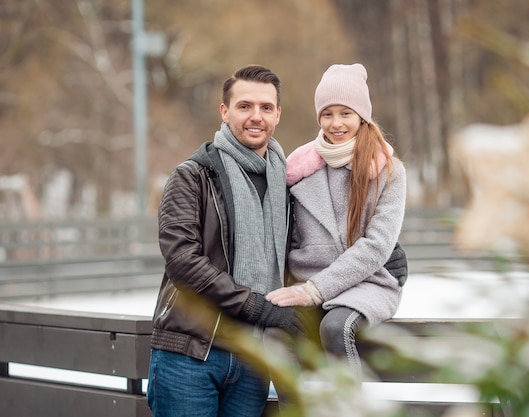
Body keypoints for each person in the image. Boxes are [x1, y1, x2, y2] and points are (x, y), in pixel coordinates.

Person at [146, 64, 304, 417]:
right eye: (244, 106)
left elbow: (315, 244)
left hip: (253, 359)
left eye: (266, 108)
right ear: (225, 111)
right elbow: (183, 262)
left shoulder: (288, 185)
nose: (256, 117)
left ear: (278, 114)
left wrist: (382, 255)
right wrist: (254, 305)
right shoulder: (192, 177)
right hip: (190, 355)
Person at [266, 63, 407, 378]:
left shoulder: (388, 171)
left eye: (345, 113)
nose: (336, 123)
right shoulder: (297, 169)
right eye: (328, 114)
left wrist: (317, 289)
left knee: (335, 328)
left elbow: (377, 245)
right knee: (275, 335)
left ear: (361, 116)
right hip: (307, 283)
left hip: (366, 283)